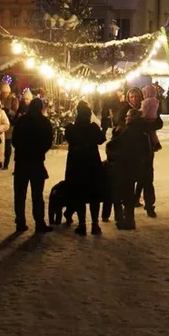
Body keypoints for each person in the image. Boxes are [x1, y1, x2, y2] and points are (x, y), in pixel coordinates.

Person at [11, 98, 54, 233]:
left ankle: (20, 220)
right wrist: (39, 151)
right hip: (36, 162)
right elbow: (48, 141)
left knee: (20, 193)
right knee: (37, 194)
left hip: (22, 161)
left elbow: (14, 140)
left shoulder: (22, 121)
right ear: (41, 108)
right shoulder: (44, 122)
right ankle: (39, 222)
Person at [63, 101, 105, 236]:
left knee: (79, 194)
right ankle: (95, 224)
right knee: (94, 195)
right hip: (92, 163)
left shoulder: (71, 129)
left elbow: (69, 138)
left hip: (76, 164)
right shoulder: (93, 128)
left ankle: (82, 224)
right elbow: (101, 139)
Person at [108, 108, 152, 230]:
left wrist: (115, 135)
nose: (126, 118)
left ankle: (128, 220)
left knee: (125, 194)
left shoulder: (129, 131)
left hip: (126, 166)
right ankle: (127, 219)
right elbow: (147, 152)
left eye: (128, 116)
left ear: (132, 118)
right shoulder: (142, 131)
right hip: (135, 167)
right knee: (128, 193)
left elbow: (115, 145)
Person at [135, 95, 163, 217]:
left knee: (146, 178)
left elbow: (158, 123)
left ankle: (149, 205)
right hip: (133, 152)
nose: (133, 99)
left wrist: (150, 123)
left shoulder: (147, 110)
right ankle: (132, 201)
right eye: (131, 97)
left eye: (135, 96)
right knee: (135, 178)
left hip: (147, 151)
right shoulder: (127, 111)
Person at [0, 82, 19, 170]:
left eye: (6, 93)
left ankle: (6, 163)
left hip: (9, 125)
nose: (4, 94)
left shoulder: (13, 100)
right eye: (3, 93)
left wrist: (7, 110)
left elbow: (15, 112)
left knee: (7, 145)